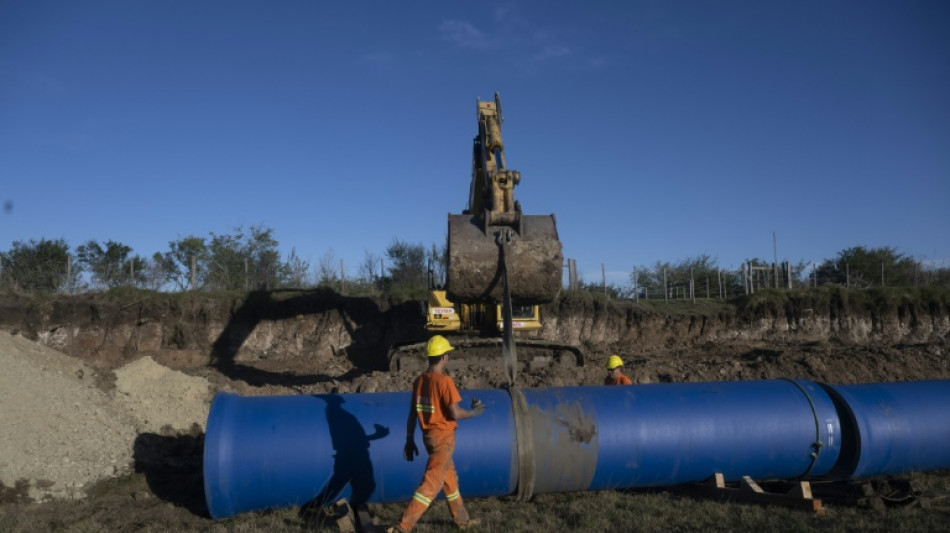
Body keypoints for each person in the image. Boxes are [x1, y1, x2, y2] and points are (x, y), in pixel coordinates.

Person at [387, 335, 484, 533]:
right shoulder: (445, 381)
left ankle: (462, 520)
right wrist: (475, 412)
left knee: (449, 479)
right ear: (444, 357)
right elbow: (454, 412)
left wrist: (409, 439)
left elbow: (413, 413)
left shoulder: (420, 381)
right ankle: (403, 527)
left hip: (428, 438)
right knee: (431, 483)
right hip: (443, 438)